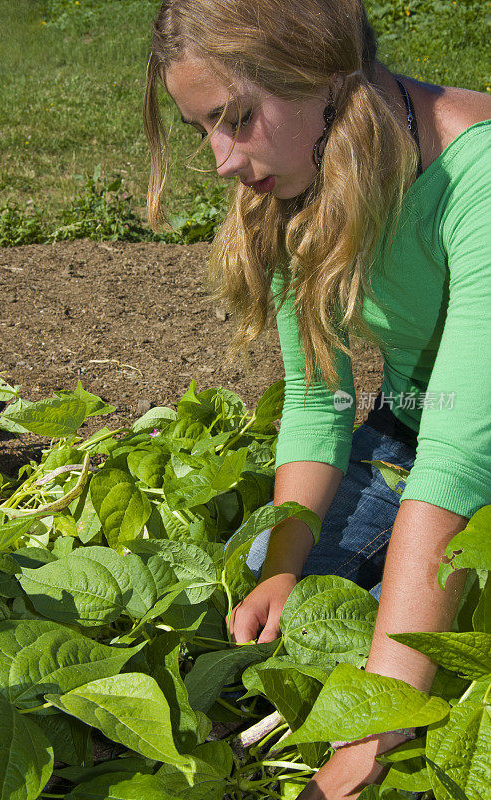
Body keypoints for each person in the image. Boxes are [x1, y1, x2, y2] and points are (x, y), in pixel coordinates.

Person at [144, 1, 491, 796]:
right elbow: (315, 397)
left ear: (324, 82)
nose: (223, 160)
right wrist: (282, 564)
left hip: (462, 452)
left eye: (234, 119)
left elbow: (460, 464)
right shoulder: (301, 175)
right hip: (416, 428)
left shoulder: (474, 176)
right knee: (274, 646)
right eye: (202, 130)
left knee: (410, 675)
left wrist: (376, 724)